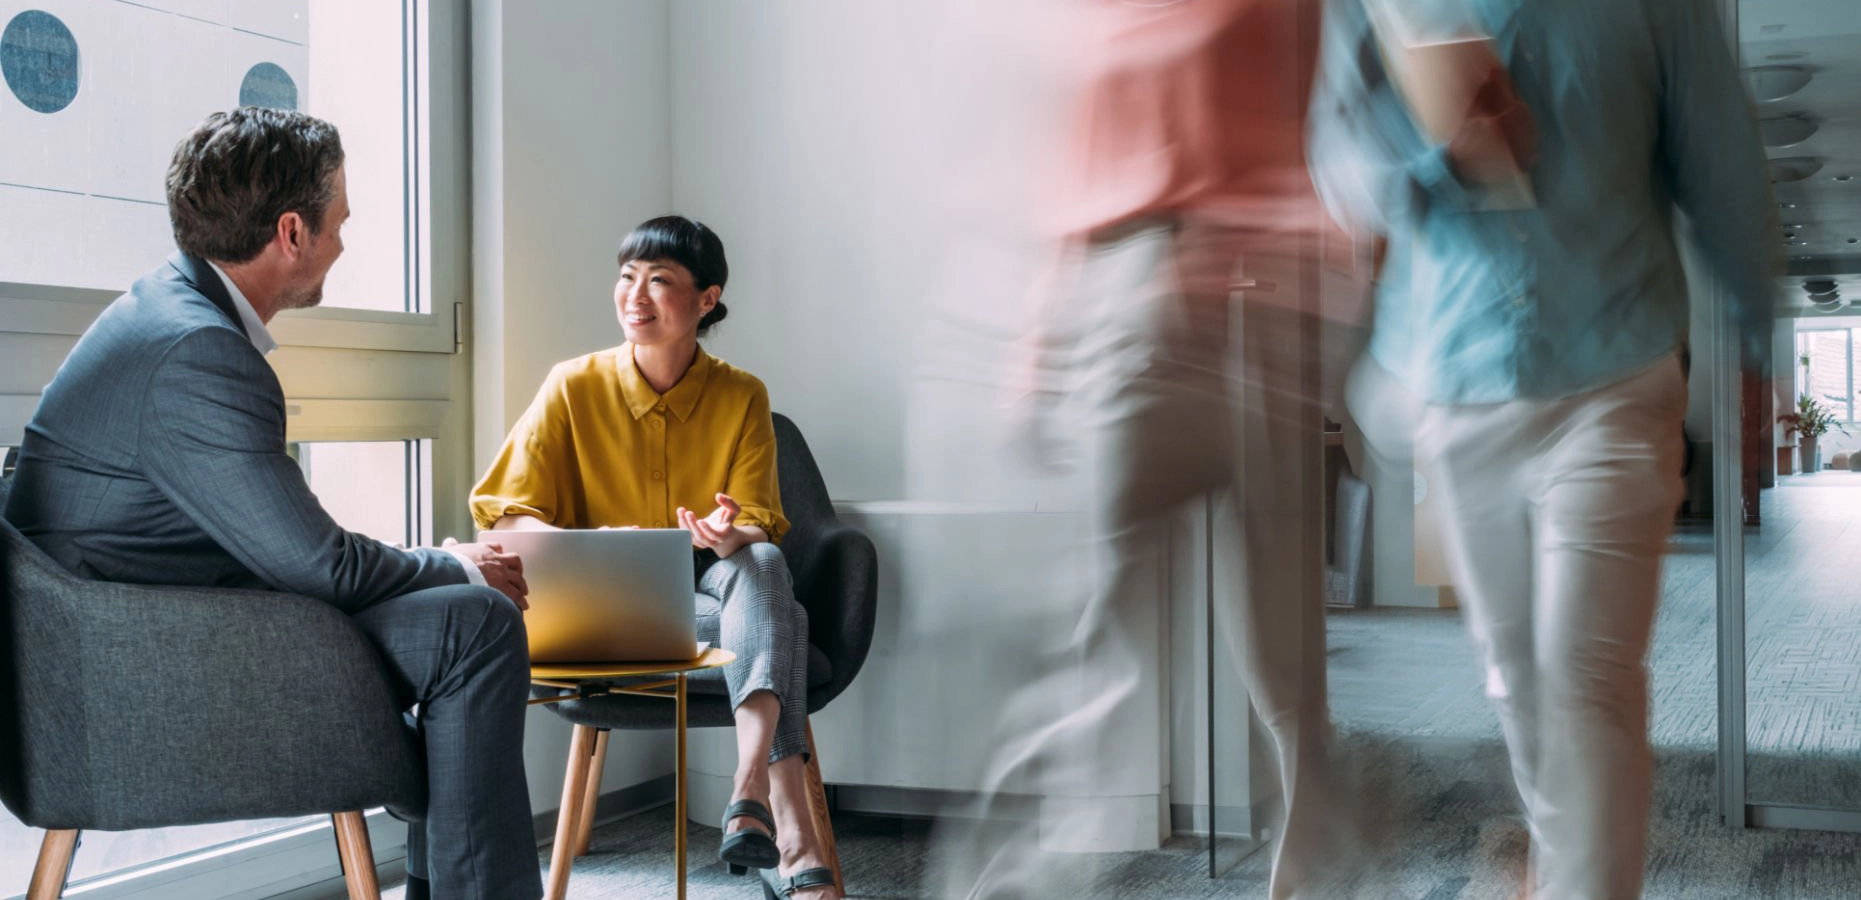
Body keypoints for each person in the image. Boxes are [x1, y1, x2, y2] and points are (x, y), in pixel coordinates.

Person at [1, 108, 541, 900]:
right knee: (478, 618)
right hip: (140, 670)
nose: (344, 243)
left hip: (139, 631)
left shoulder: (166, 309)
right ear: (292, 232)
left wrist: (442, 571)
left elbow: (287, 546)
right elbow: (317, 563)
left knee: (467, 620)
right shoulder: (201, 352)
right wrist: (453, 559)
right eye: (339, 223)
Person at [1309, 0, 1778, 896]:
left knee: (1587, 679)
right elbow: (1337, 161)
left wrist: (1754, 348)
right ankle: (1558, 857)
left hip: (1615, 371)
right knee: (1516, 676)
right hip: (1457, 376)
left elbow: (1722, 166)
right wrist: (1438, 164)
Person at [947, 1, 1357, 897]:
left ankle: (1316, 865)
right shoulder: (1111, 21)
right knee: (1108, 628)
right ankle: (1023, 865)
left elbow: (1317, 135)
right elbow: (1076, 200)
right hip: (1152, 315)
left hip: (1264, 320)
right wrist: (1035, 359)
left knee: (1281, 664)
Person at [469, 215, 840, 900]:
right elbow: (506, 509)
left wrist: (726, 535)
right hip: (609, 611)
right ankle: (781, 818)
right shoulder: (571, 387)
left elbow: (758, 524)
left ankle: (749, 788)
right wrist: (587, 549)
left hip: (715, 598)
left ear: (706, 299)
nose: (635, 296)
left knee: (762, 570)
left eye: (660, 281)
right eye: (627, 277)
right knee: (778, 617)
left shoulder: (742, 395)